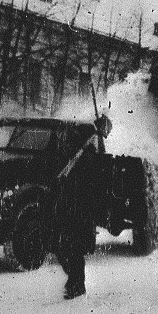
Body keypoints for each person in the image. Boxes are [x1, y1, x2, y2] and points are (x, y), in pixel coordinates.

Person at [52, 125, 104, 300]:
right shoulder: (71, 158)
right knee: (64, 250)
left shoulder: (88, 158)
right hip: (69, 211)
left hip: (80, 213)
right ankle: (74, 281)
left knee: (74, 251)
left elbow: (89, 188)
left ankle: (77, 285)